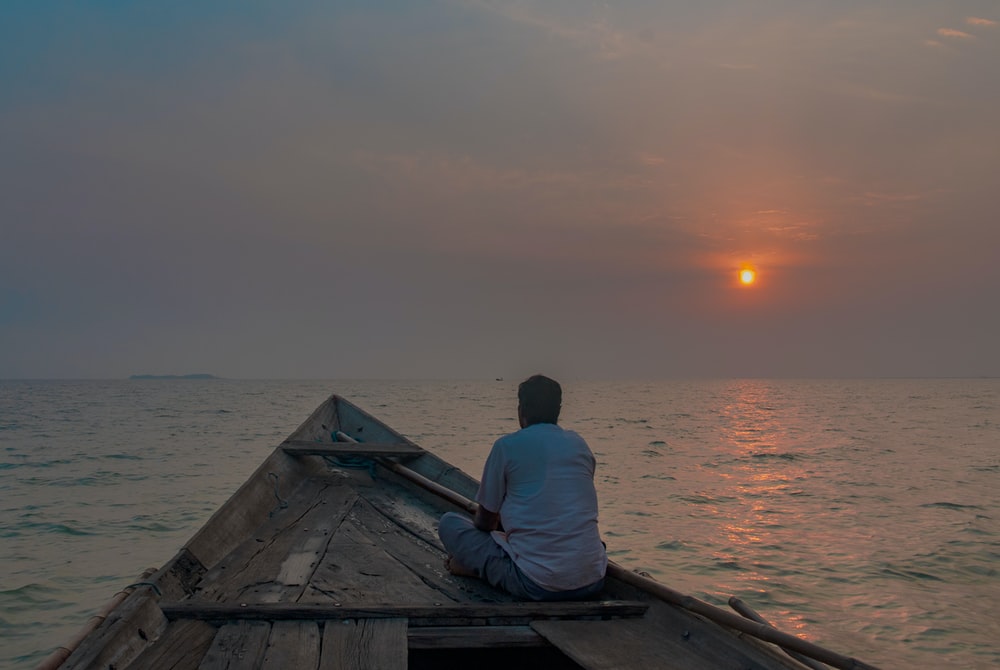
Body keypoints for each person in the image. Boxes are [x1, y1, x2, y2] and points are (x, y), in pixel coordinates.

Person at [438, 374, 607, 601]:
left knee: (449, 523)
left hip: (536, 584)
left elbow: (485, 523)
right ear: (558, 410)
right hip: (594, 579)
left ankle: (474, 570)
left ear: (521, 409)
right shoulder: (579, 444)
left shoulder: (506, 446)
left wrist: (500, 528)